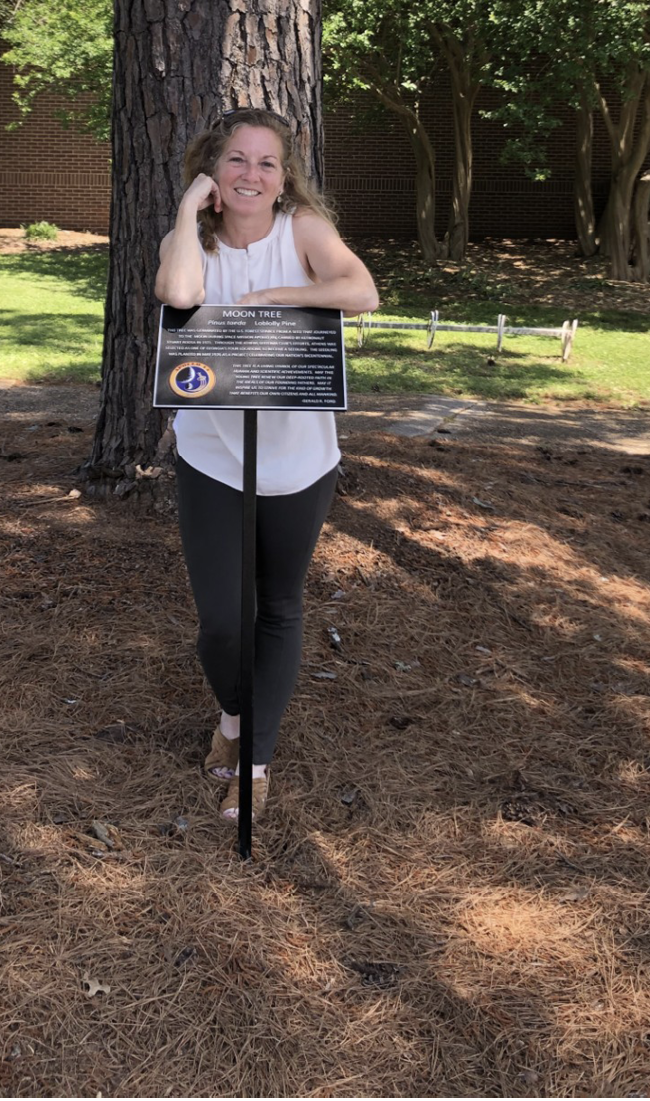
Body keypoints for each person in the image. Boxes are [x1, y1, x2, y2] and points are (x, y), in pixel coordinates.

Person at [154, 107, 379, 821]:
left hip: (298, 462)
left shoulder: (303, 230)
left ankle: (253, 759)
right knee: (223, 621)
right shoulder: (188, 241)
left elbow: (359, 291)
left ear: (284, 179)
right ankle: (231, 715)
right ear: (212, 169)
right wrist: (189, 211)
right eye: (235, 161)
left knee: (278, 607)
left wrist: (278, 298)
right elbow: (180, 296)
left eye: (266, 163)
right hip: (213, 457)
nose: (250, 175)